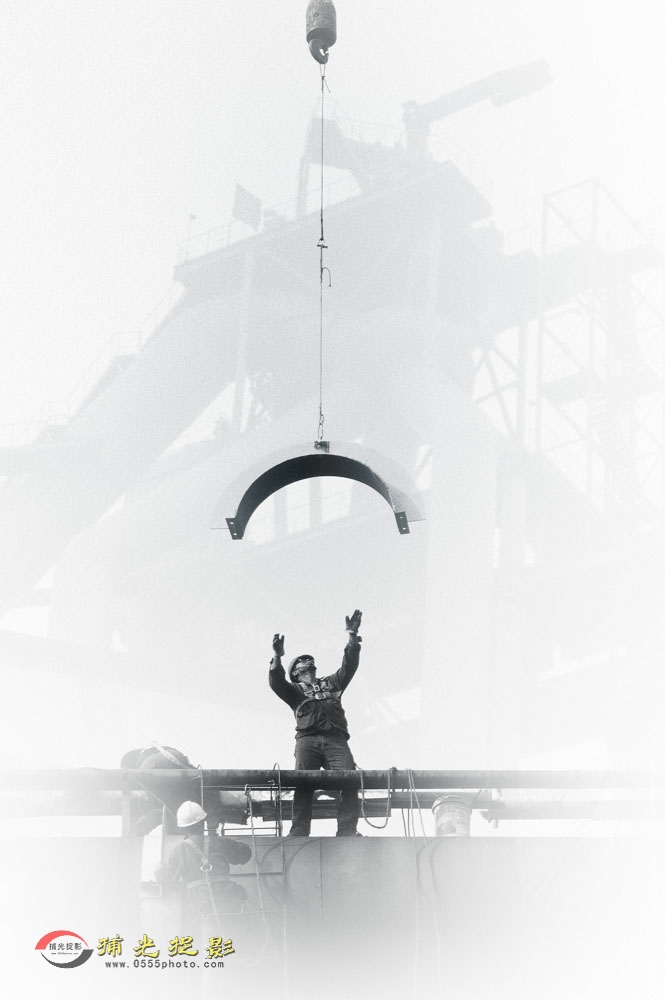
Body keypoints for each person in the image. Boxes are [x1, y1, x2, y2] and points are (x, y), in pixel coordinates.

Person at [269, 609, 363, 837]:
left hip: (336, 740)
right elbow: (276, 682)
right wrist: (278, 657)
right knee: (303, 783)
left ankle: (347, 830)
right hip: (307, 740)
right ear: (295, 673)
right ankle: (299, 831)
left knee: (349, 780)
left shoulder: (332, 683)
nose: (308, 664)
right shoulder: (294, 691)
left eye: (310, 663)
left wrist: (352, 636)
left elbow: (349, 665)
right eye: (302, 664)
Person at [156, 801, 252, 924]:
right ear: (203, 822)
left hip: (197, 902)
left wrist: (158, 869)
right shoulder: (220, 842)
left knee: (199, 933)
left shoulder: (178, 850)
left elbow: (167, 879)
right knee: (230, 931)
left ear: (183, 828)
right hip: (226, 897)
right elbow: (245, 855)